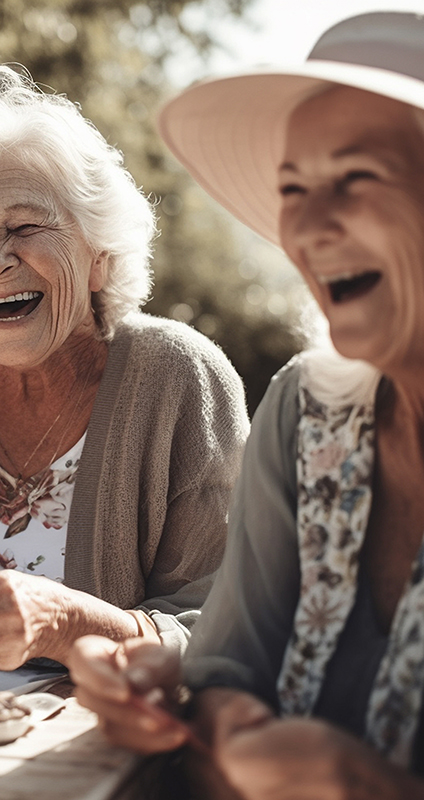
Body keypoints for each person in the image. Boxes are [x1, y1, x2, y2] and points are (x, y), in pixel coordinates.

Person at [68, 10, 424, 797]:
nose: (304, 223)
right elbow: (229, 669)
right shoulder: (307, 410)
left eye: (356, 178)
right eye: (292, 188)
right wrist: (186, 704)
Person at [0, 63, 248, 684]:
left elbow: (225, 624)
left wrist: (69, 627)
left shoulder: (179, 377)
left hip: (98, 756)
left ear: (98, 255)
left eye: (24, 226)